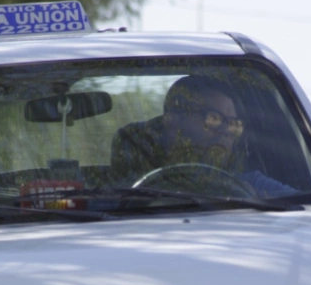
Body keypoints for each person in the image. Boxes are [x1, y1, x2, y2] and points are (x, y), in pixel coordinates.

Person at [110, 75, 295, 197]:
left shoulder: (252, 184)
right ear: (173, 120)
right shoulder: (124, 190)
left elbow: (306, 206)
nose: (226, 131)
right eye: (213, 118)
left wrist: (255, 200)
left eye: (232, 123)